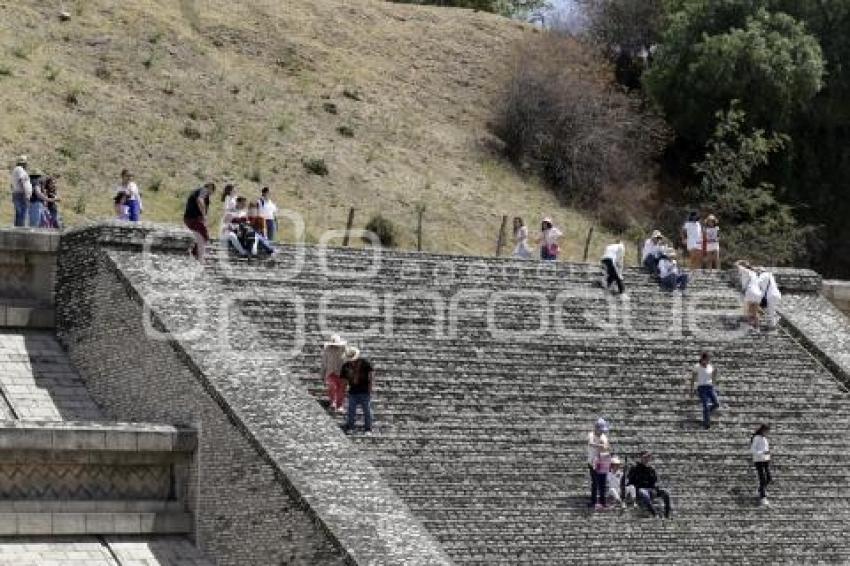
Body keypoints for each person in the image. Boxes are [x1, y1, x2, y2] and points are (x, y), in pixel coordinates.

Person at [627, 451, 671, 518]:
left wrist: (656, 487)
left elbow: (655, 481)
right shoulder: (634, 468)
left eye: (648, 457)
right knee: (644, 493)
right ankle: (654, 513)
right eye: (645, 457)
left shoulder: (651, 469)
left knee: (666, 493)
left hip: (651, 489)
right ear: (641, 458)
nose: (647, 459)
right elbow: (630, 480)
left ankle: (667, 515)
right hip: (640, 489)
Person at [341, 348, 374, 434]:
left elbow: (371, 377)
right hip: (353, 392)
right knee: (351, 411)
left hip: (364, 391)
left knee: (367, 411)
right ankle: (350, 427)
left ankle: (368, 429)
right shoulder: (345, 366)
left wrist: (369, 390)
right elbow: (344, 381)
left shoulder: (365, 363)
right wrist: (343, 392)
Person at [321, 335, 354, 414]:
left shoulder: (344, 349)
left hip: (342, 373)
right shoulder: (327, 350)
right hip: (331, 372)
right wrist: (322, 374)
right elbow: (324, 363)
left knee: (341, 390)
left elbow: (350, 360)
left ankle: (339, 406)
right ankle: (333, 402)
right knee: (333, 387)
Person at [184, 182, 216, 260]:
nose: (211, 193)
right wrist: (204, 215)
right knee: (204, 236)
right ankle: (199, 256)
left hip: (190, 219)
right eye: (213, 190)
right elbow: (200, 200)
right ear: (210, 188)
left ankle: (194, 254)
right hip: (193, 219)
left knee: (201, 237)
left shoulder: (198, 191)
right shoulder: (204, 190)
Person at [690, 352, 720, 429]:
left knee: (716, 403)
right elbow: (693, 378)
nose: (707, 361)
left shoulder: (710, 366)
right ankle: (706, 423)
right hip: (702, 388)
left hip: (710, 387)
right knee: (705, 406)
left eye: (708, 360)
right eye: (706, 359)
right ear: (702, 359)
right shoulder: (697, 366)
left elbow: (713, 377)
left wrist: (715, 375)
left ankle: (706, 412)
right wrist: (692, 389)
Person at [587, 418, 610, 509]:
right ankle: (593, 502)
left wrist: (603, 446)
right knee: (595, 482)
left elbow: (607, 447)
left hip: (602, 462)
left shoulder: (603, 437)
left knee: (602, 483)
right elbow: (590, 443)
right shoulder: (591, 434)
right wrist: (600, 445)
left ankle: (603, 502)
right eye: (600, 430)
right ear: (596, 428)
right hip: (592, 462)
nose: (601, 432)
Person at [735, 260, 762, 331]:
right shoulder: (755, 273)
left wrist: (742, 261)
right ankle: (757, 328)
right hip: (758, 292)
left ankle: (749, 326)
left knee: (748, 310)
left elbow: (736, 264)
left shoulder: (744, 270)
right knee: (755, 311)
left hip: (750, 291)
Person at [751, 424, 772, 506]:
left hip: (765, 460)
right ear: (763, 430)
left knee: (769, 477)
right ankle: (763, 497)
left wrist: (768, 455)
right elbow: (753, 449)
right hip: (758, 460)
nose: (767, 433)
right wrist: (762, 453)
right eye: (766, 431)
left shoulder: (765, 438)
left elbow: (766, 449)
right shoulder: (756, 438)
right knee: (762, 478)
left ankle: (760, 489)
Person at [10, 155, 32, 227]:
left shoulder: (16, 170)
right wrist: (27, 195)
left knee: (19, 214)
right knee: (22, 214)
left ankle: (17, 230)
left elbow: (12, 184)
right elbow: (23, 181)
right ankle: (20, 231)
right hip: (21, 194)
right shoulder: (20, 169)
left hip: (17, 193)